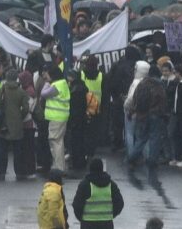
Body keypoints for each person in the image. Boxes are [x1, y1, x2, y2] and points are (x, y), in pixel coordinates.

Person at [127, 58, 166, 186]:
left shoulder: (142, 84)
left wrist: (132, 111)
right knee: (154, 139)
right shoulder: (159, 85)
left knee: (141, 139)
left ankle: (132, 157)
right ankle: (152, 161)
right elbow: (162, 101)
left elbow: (135, 99)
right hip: (155, 115)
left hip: (141, 115)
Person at [0, 67, 30, 181]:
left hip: (4, 125)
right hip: (17, 124)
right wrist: (20, 116)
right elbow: (26, 108)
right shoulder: (21, 92)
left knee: (2, 151)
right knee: (18, 151)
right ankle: (19, 173)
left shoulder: (2, 90)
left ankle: (1, 172)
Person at [71, 157, 124, 229]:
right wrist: (110, 215)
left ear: (90, 169)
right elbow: (120, 203)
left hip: (88, 224)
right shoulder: (111, 185)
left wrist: (82, 219)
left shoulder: (85, 185)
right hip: (106, 223)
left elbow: (77, 205)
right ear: (102, 168)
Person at [41, 66, 70, 173]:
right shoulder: (63, 83)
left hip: (56, 117)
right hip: (61, 116)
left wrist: (46, 84)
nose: (46, 76)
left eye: (48, 74)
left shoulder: (56, 85)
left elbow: (44, 94)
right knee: (59, 142)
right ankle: (60, 166)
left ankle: (58, 167)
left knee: (55, 142)